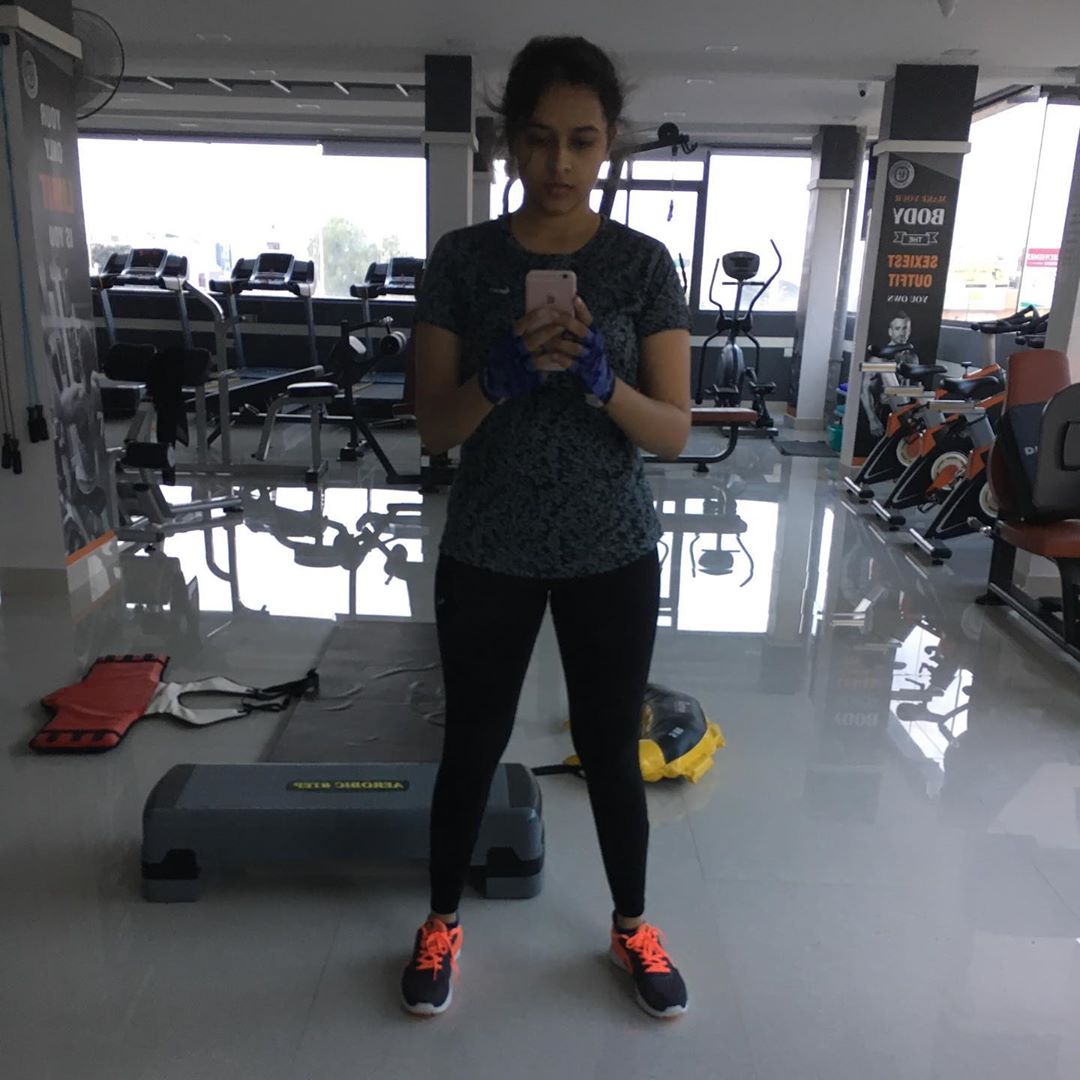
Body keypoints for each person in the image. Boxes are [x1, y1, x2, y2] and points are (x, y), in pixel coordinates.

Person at [401, 35, 692, 1021]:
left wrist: (606, 386)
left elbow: (675, 430)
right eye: (538, 139)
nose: (559, 162)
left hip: (611, 548)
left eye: (582, 140)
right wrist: (497, 379)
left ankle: (632, 925)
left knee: (611, 748)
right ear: (509, 142)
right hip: (489, 547)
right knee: (472, 743)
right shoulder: (463, 261)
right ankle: (441, 921)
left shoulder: (642, 264)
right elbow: (433, 427)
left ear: (610, 142)